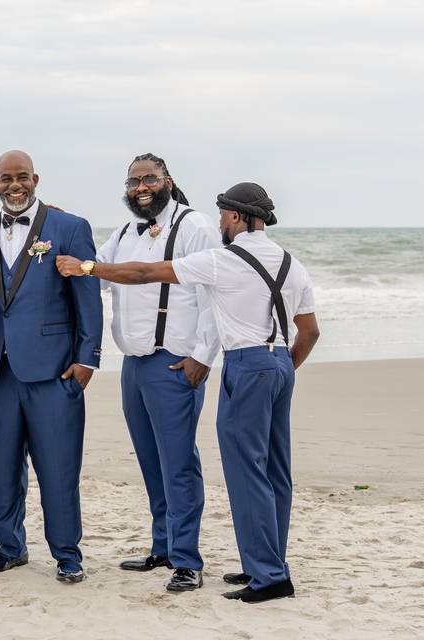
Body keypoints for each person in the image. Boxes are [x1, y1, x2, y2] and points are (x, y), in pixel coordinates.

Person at [55, 182, 320, 603]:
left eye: (223, 216)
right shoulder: (292, 262)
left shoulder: (223, 260)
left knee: (246, 472)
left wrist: (87, 269)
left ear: (235, 217)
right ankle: (268, 564)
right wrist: (279, 367)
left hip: (247, 364)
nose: (219, 223)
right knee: (275, 471)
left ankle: (269, 577)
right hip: (280, 363)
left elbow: (144, 273)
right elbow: (310, 331)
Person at [0, 150, 103, 584]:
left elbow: (87, 298)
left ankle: (67, 554)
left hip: (53, 371)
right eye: (6, 178)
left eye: (22, 177)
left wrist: (86, 360)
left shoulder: (69, 227)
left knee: (58, 468)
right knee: (1, 466)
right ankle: (9, 547)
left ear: (35, 179)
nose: (15, 185)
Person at [96, 154, 220, 593]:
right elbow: (99, 276)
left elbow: (214, 294)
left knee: (179, 463)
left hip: (174, 363)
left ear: (168, 180)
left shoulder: (195, 225)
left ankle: (188, 560)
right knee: (151, 462)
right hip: (133, 364)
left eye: (148, 179)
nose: (140, 187)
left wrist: (203, 356)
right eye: (132, 181)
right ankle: (163, 546)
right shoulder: (126, 231)